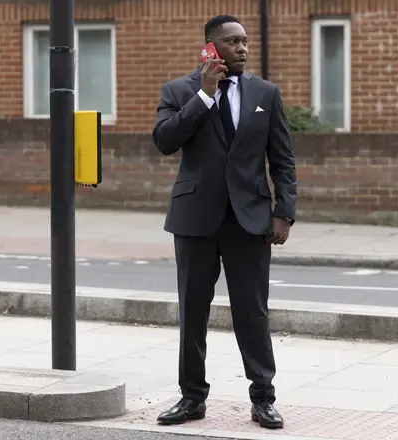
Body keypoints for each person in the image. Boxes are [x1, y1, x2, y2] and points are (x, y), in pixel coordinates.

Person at [151, 14, 297, 430]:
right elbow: (164, 141)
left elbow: (282, 159)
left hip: (250, 220)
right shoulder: (180, 90)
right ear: (211, 47)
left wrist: (284, 212)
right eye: (233, 42)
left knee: (252, 312)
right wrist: (204, 95)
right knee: (192, 312)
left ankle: (263, 398)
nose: (244, 48)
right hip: (195, 218)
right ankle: (192, 398)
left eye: (246, 41)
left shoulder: (265, 93)